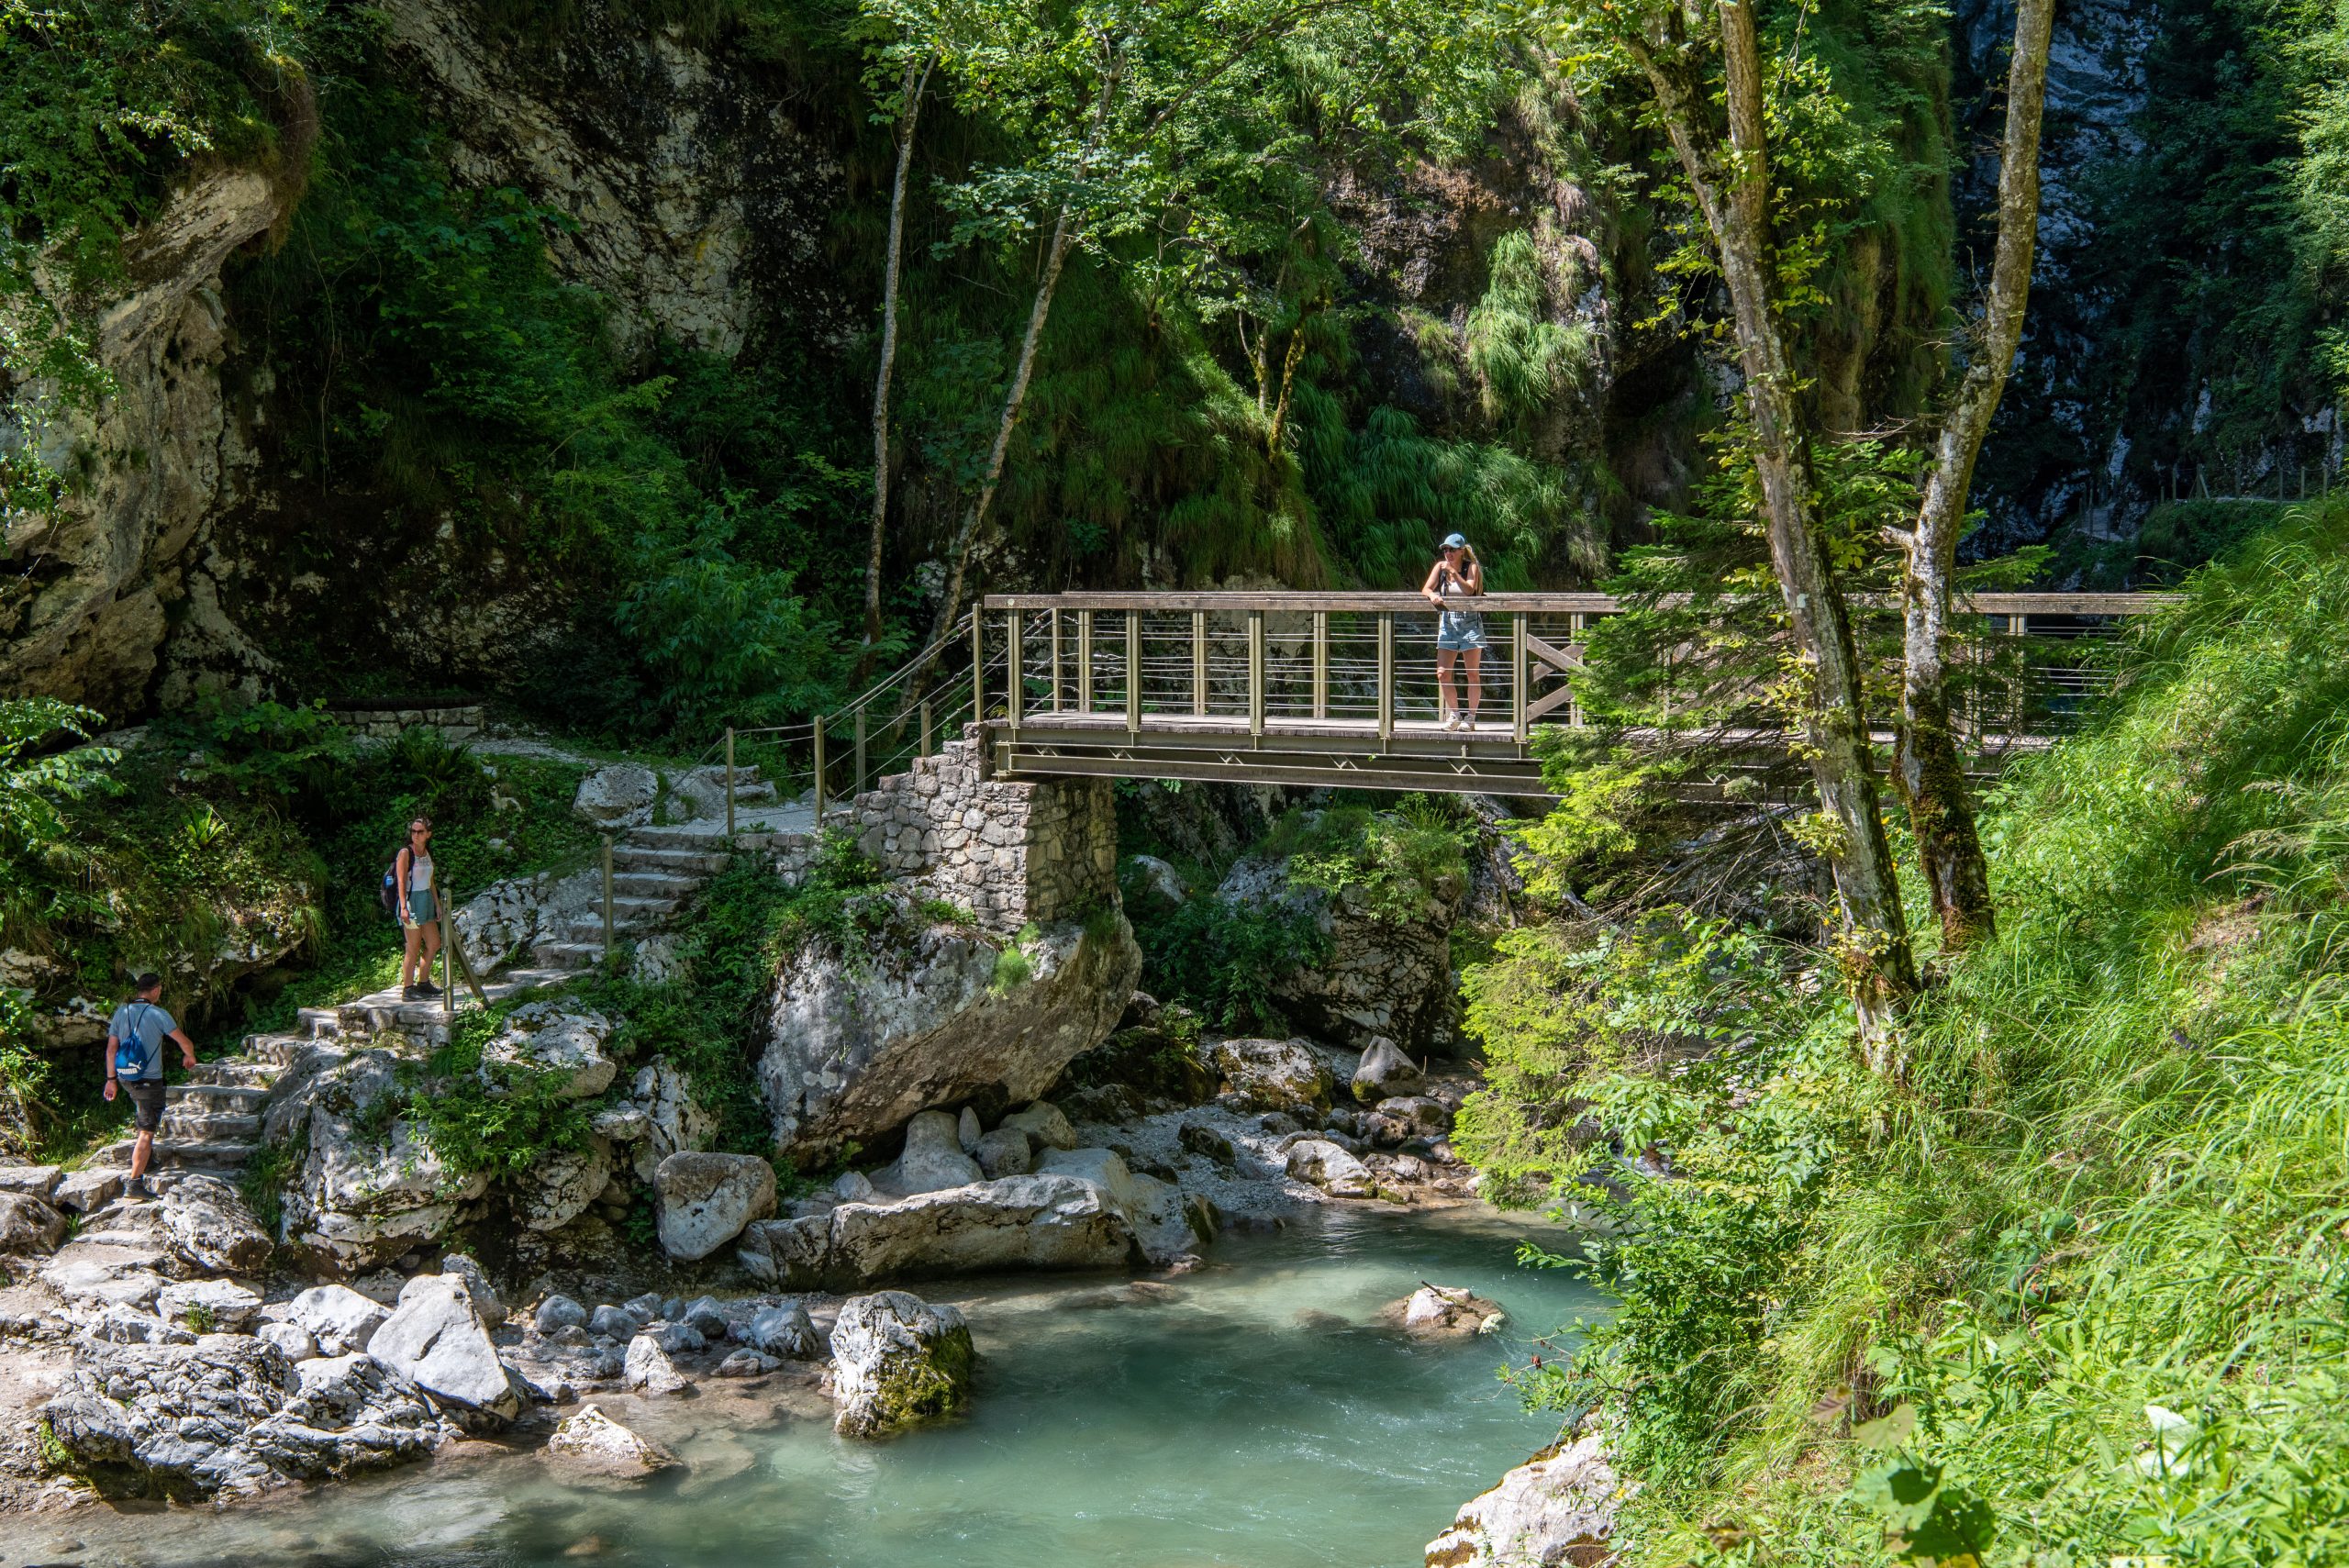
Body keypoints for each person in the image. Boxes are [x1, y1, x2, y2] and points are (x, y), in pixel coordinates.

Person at [104, 973, 198, 1198]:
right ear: (155, 990)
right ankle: (134, 1183)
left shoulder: (121, 1012)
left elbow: (111, 1050)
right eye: (160, 990)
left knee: (143, 1113)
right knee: (147, 1130)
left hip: (125, 1077)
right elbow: (184, 1041)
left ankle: (149, 1159)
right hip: (148, 1080)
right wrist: (189, 1056)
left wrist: (111, 1080)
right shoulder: (158, 1014)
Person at [1420, 532, 1486, 730]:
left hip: (1470, 623)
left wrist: (1454, 573)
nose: (1447, 553)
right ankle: (1455, 715)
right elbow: (1425, 588)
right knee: (1442, 673)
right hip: (1448, 624)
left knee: (1472, 673)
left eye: (1451, 550)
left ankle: (1471, 718)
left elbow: (1469, 590)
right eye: (1445, 550)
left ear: (1460, 551)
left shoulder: (1470, 567)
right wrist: (1432, 595)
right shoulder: (1439, 568)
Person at [396, 815, 443, 1000]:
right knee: (413, 947)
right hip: (411, 901)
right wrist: (403, 907)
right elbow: (400, 881)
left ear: (428, 834)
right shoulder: (405, 853)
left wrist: (437, 905)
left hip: (426, 900)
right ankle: (408, 989)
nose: (415, 834)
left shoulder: (427, 852)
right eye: (413, 831)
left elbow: (431, 881)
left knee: (434, 943)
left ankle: (423, 983)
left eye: (420, 831)